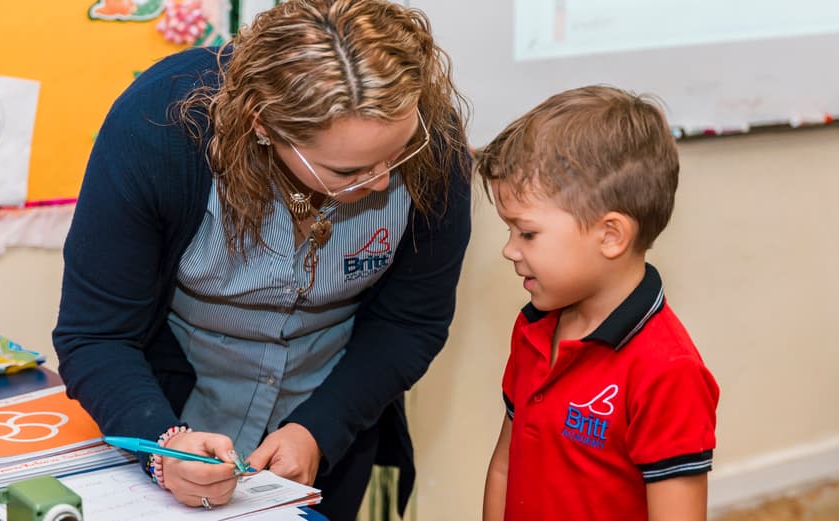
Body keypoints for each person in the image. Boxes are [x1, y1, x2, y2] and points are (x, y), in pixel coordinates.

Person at [52, 1, 471, 519]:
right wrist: (162, 446)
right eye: (350, 171)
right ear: (264, 127)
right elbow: (95, 335)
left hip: (333, 410)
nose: (384, 182)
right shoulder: (158, 129)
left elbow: (411, 321)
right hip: (171, 399)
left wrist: (319, 428)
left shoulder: (431, 142)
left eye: (398, 154)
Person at [477, 85, 719, 521]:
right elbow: (504, 468)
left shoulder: (668, 372)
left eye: (526, 232)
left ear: (611, 236)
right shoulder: (532, 329)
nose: (509, 249)